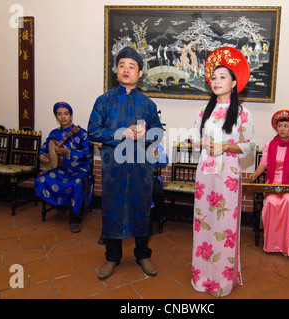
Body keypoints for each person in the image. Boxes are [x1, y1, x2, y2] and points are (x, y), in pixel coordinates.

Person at [88, 47, 164, 280]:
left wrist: (145, 134)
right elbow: (93, 130)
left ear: (140, 73)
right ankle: (112, 257)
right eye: (122, 65)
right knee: (112, 208)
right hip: (113, 167)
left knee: (142, 208)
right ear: (116, 70)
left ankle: (143, 254)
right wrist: (121, 133)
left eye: (132, 66)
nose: (126, 70)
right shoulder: (104, 101)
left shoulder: (148, 104)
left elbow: (158, 131)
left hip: (141, 167)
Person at [191, 47, 255, 297]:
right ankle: (202, 277)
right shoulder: (203, 111)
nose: (217, 82)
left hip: (228, 175)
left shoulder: (242, 113)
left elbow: (250, 146)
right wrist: (202, 143)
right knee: (202, 224)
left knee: (224, 225)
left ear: (234, 82)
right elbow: (194, 138)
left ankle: (222, 280)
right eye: (214, 78)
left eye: (223, 77)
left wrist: (225, 146)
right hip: (205, 172)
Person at [249, 110, 289, 257]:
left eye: (286, 126)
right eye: (280, 126)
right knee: (270, 202)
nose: (282, 129)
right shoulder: (269, 145)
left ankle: (287, 240)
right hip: (272, 184)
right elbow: (263, 164)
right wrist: (255, 174)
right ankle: (271, 243)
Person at [35, 102, 93, 233]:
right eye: (59, 114)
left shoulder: (81, 133)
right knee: (41, 180)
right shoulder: (54, 133)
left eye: (66, 114)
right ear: (56, 117)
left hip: (81, 169)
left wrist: (69, 153)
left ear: (71, 116)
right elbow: (45, 147)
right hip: (62, 169)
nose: (63, 117)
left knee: (75, 183)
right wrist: (41, 155)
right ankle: (59, 204)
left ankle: (75, 219)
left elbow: (88, 154)